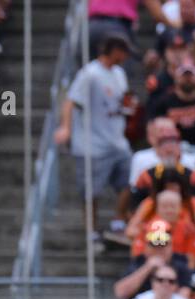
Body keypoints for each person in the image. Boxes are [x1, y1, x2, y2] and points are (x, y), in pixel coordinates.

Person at [54, 33, 134, 237]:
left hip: (117, 141)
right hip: (92, 144)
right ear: (115, 51)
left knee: (130, 181)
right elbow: (71, 101)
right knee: (91, 192)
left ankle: (118, 219)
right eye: (123, 52)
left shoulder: (119, 73)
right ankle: (91, 230)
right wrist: (66, 127)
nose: (126, 57)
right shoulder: (90, 74)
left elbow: (122, 99)